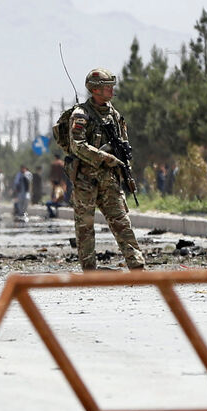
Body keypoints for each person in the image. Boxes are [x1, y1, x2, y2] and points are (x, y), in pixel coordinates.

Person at [67, 68, 145, 271]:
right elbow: (77, 145)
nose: (111, 91)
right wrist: (103, 157)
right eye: (106, 87)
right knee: (85, 228)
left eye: (111, 87)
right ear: (94, 90)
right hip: (85, 180)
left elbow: (123, 144)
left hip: (109, 180)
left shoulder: (115, 115)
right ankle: (90, 270)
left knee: (122, 223)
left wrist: (123, 168)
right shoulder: (81, 114)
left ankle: (137, 267)